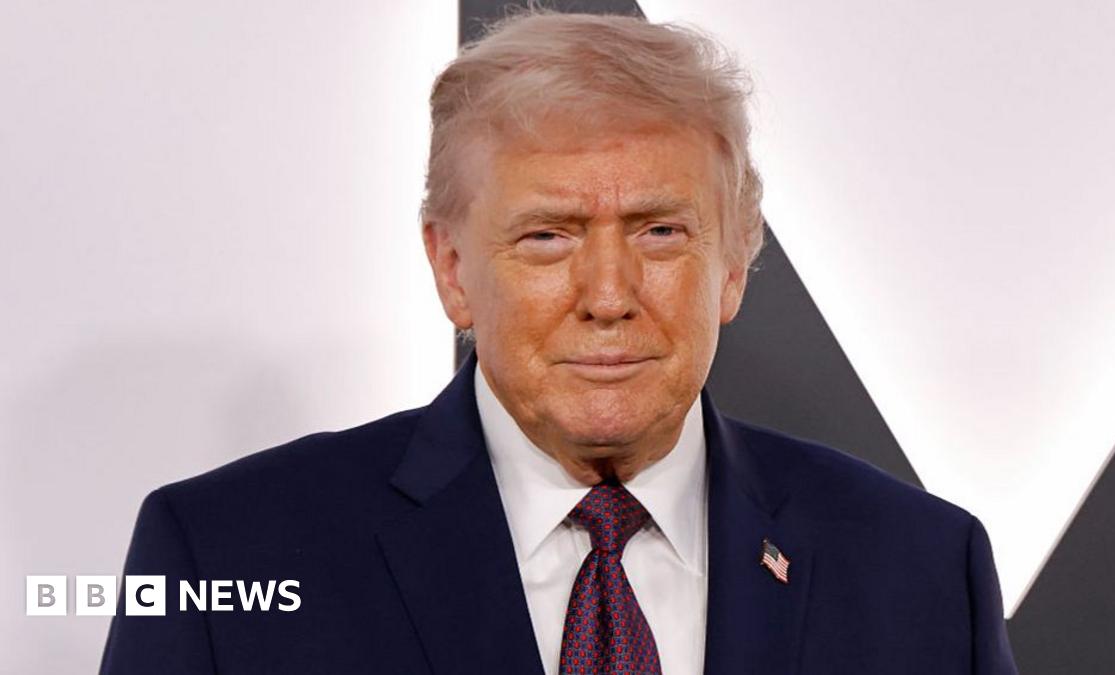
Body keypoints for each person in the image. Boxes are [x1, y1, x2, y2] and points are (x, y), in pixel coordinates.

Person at [101, 10, 1018, 674]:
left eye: (661, 231)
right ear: (452, 268)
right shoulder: (228, 557)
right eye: (549, 236)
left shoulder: (923, 570)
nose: (609, 296)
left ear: (735, 264)